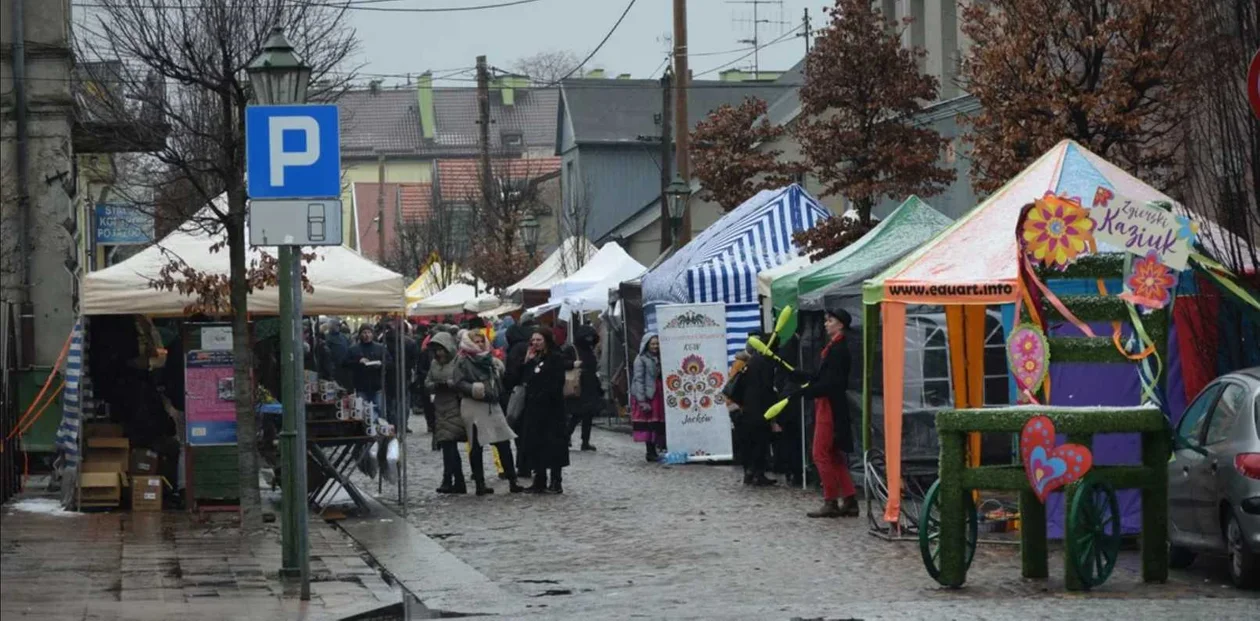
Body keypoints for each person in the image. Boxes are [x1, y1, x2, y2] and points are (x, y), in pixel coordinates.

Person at [795, 308, 858, 518]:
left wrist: (808, 391)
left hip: (830, 405)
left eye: (829, 320)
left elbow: (832, 383)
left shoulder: (839, 349)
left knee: (820, 454)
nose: (825, 324)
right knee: (833, 454)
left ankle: (830, 501)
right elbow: (823, 377)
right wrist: (801, 377)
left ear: (840, 324)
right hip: (829, 403)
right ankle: (849, 499)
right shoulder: (833, 347)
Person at [453, 329, 521, 495]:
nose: (480, 344)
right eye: (476, 341)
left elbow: (499, 382)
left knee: (503, 442)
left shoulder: (490, 359)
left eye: (481, 341)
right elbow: (458, 382)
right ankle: (479, 483)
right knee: (476, 445)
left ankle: (513, 480)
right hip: (473, 405)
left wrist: (498, 377)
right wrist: (474, 389)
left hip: (492, 404)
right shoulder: (462, 360)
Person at [519, 328, 573, 493]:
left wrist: (543, 395)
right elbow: (524, 379)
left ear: (546, 341)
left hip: (552, 410)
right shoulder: (535, 359)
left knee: (554, 446)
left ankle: (556, 481)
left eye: (539, 340)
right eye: (533, 340)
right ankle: (539, 479)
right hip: (534, 410)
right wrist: (528, 361)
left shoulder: (555, 358)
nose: (535, 343)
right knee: (536, 445)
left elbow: (556, 383)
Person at [729, 338, 778, 486]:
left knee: (747, 443)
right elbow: (767, 388)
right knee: (760, 442)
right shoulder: (763, 363)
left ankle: (749, 472)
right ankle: (758, 473)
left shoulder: (743, 364)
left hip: (744, 409)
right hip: (760, 409)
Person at [425, 332, 468, 493]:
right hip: (440, 406)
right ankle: (456, 480)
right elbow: (427, 381)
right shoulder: (434, 364)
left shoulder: (458, 361)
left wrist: (450, 384)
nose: (438, 353)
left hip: (454, 406)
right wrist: (435, 385)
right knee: (447, 445)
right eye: (436, 350)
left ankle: (450, 479)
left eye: (441, 349)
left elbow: (461, 380)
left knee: (449, 444)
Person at [564, 325, 602, 452]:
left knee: (588, 415)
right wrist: (572, 364)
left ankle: (585, 441)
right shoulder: (571, 349)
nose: (589, 340)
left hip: (590, 385)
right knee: (577, 414)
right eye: (587, 337)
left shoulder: (590, 350)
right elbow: (561, 363)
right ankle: (566, 436)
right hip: (578, 385)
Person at [630, 333, 666, 462]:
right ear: (647, 345)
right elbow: (638, 380)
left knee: (657, 423)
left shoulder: (660, 358)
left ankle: (657, 449)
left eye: (657, 344)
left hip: (658, 393)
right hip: (648, 394)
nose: (655, 346)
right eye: (653, 344)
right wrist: (642, 400)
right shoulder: (640, 359)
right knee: (649, 424)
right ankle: (650, 452)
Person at [344, 325, 390, 421]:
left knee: (380, 410)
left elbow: (389, 362)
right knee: (363, 412)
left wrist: (381, 364)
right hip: (361, 385)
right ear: (360, 334)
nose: (367, 335)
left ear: (372, 334)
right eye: (364, 333)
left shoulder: (380, 348)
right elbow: (345, 363)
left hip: (377, 385)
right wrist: (358, 361)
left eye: (369, 332)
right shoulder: (353, 349)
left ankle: (379, 431)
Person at [325, 319, 352, 389]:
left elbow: (349, 346)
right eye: (336, 326)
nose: (337, 327)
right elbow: (326, 354)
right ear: (330, 327)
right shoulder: (327, 337)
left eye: (338, 326)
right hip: (335, 368)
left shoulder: (343, 336)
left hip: (346, 367)